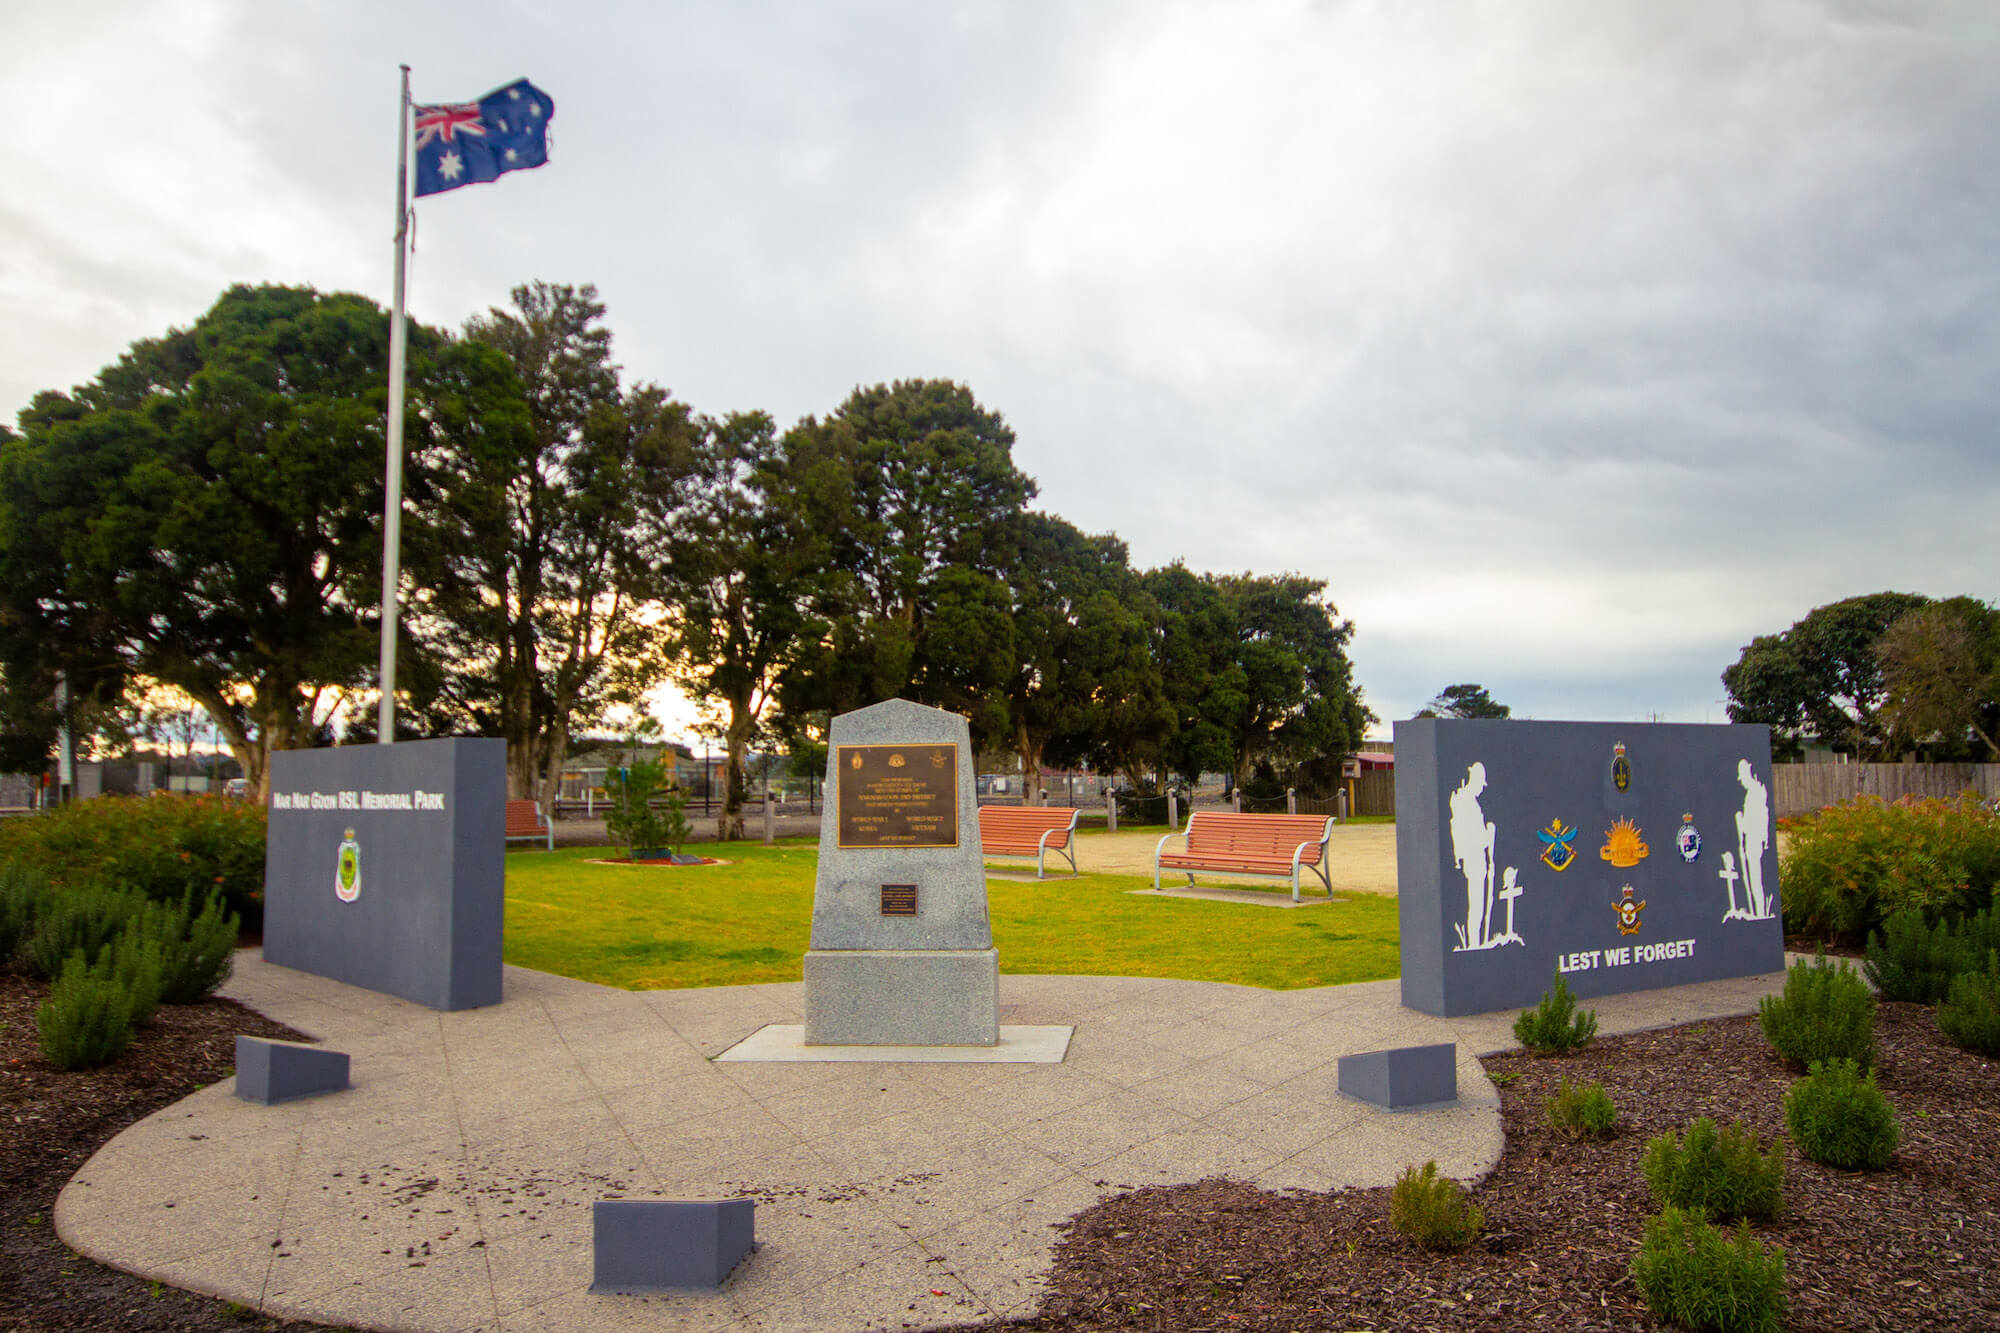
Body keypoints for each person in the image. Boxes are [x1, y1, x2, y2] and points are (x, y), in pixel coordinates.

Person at [1449, 762, 1496, 948]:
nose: (1481, 790)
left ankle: (1475, 942)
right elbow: (1472, 835)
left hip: (1474, 858)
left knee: (1477, 903)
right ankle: (1474, 943)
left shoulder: (1467, 801)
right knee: (1476, 904)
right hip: (1474, 858)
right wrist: (1488, 833)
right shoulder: (1467, 803)